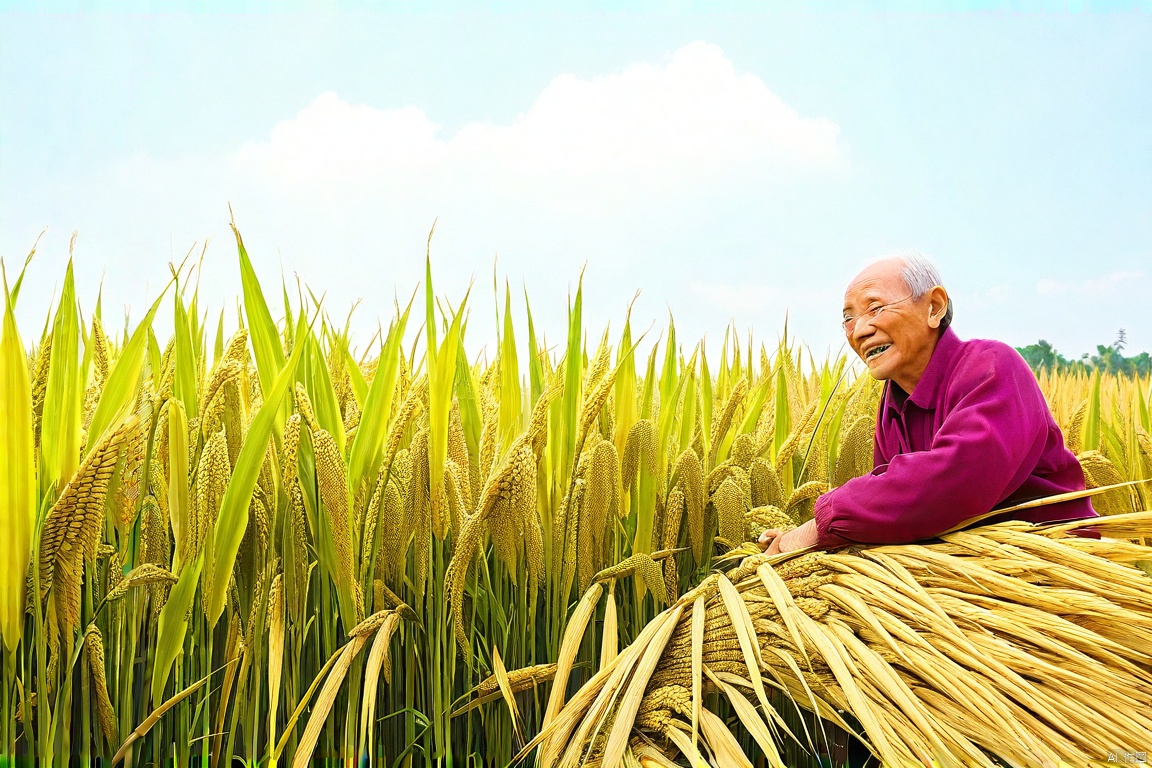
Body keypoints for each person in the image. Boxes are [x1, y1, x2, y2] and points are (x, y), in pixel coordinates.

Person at [759, 253, 1097, 555]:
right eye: (848, 318)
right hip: (972, 575)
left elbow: (954, 484)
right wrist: (797, 541)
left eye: (875, 308)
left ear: (934, 307)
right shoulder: (893, 405)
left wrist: (821, 525)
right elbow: (891, 505)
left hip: (1050, 570)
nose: (859, 330)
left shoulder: (991, 367)